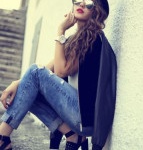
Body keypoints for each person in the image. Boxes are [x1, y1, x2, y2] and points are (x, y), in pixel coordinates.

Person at [0, 0, 117, 149]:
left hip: (85, 118)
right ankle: (71, 135)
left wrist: (61, 30)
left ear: (97, 11)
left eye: (88, 3)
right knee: (30, 85)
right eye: (78, 1)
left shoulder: (93, 38)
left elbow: (61, 70)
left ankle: (2, 137)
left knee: (35, 72)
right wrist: (16, 84)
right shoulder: (75, 40)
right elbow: (46, 70)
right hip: (76, 115)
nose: (81, 4)